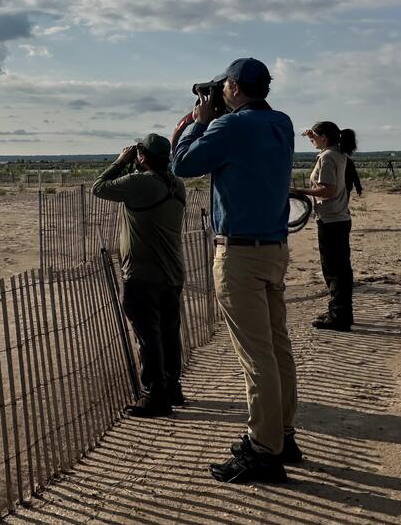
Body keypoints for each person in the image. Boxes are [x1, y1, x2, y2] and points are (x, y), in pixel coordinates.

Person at [172, 58, 299, 483]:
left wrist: (199, 122)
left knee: (256, 355)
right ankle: (282, 433)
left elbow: (183, 164)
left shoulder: (230, 128)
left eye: (223, 86)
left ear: (232, 87)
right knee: (277, 346)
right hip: (275, 248)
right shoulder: (281, 123)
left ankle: (264, 451)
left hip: (240, 254)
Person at [92, 133, 187, 417]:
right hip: (172, 272)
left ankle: (155, 396)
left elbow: (99, 187)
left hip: (143, 274)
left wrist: (121, 161)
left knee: (148, 337)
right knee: (170, 334)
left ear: (142, 157)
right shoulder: (176, 182)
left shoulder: (140, 183)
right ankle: (172, 387)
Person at [300, 122, 356, 330]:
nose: (311, 139)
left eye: (314, 136)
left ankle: (339, 317)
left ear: (324, 137)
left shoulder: (327, 157)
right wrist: (311, 133)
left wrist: (299, 191)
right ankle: (340, 312)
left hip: (332, 220)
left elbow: (328, 190)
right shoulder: (338, 152)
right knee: (340, 269)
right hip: (338, 218)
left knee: (334, 271)